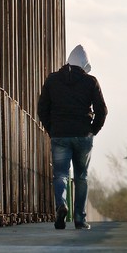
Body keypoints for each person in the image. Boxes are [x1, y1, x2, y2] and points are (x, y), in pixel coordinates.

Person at [37, 44, 107, 230]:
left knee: (60, 174)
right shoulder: (91, 82)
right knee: (81, 177)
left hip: (60, 134)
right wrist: (92, 130)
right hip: (83, 135)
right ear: (84, 64)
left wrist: (52, 129)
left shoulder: (52, 80)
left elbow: (42, 108)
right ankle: (79, 219)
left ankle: (61, 205)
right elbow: (102, 111)